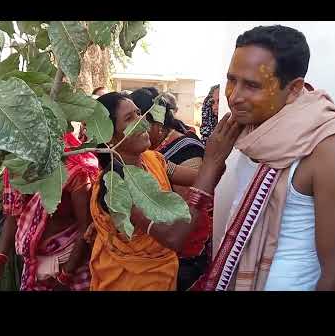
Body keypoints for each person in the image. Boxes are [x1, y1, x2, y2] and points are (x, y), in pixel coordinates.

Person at [193, 25, 335, 291]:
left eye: (252, 85)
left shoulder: (332, 146)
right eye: (231, 79)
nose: (235, 96)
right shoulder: (249, 130)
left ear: (294, 88)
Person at [88, 92, 242, 291]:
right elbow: (173, 237)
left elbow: (206, 178)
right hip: (128, 282)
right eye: (129, 118)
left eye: (139, 113)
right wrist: (212, 162)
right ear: (108, 138)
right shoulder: (116, 188)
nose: (142, 122)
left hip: (163, 277)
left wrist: (220, 154)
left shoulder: (154, 160)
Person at [0, 132, 99, 291]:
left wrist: (64, 277)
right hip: (34, 269)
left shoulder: (76, 168)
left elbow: (87, 229)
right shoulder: (17, 164)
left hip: (73, 268)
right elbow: (13, 215)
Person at [129, 87, 209, 290]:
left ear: (157, 123)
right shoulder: (145, 157)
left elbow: (185, 209)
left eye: (139, 118)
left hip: (181, 251)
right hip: (149, 257)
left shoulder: (182, 149)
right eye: (129, 120)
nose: (136, 127)